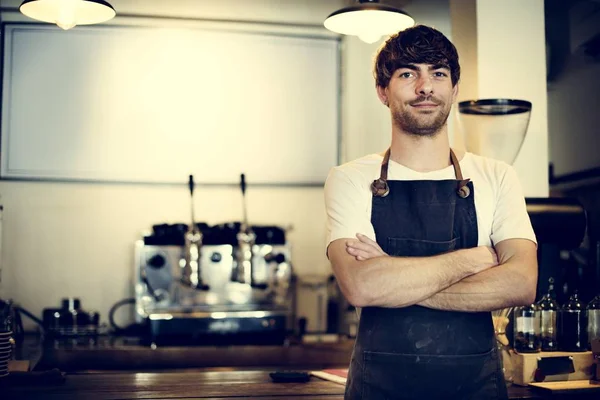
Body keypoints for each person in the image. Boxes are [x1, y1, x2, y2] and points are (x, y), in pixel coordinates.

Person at [324, 25, 538, 400]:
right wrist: (475, 260)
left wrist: (392, 273)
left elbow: (521, 284)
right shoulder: (349, 179)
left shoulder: (497, 176)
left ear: (454, 89)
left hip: (476, 389)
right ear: (382, 92)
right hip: (380, 389)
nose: (425, 87)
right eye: (408, 74)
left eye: (438, 73)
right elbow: (361, 286)